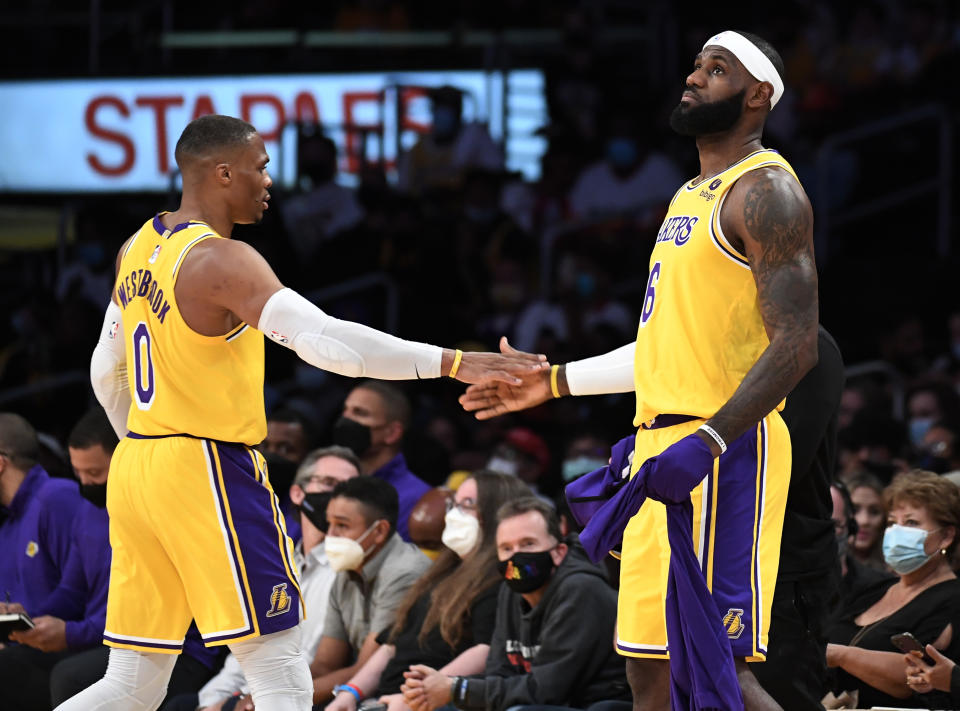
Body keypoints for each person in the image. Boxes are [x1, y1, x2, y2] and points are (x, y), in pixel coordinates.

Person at [66, 113, 547, 711]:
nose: (269, 181)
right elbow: (327, 343)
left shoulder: (136, 247)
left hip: (139, 465)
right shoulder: (222, 261)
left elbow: (101, 370)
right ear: (222, 173)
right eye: (259, 167)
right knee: (279, 667)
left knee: (132, 681)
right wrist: (452, 362)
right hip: (205, 463)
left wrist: (143, 448)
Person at [461, 29, 819, 710]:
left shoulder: (767, 191)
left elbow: (797, 344)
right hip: (658, 449)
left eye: (716, 70)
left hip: (724, 450)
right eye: (694, 66)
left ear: (758, 94)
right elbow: (665, 347)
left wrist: (710, 440)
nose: (693, 78)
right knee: (649, 672)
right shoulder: (690, 194)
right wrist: (555, 380)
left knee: (722, 671)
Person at [169, 446, 362, 711]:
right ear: (297, 493)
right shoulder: (280, 562)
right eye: (329, 483)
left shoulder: (346, 570)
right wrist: (211, 703)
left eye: (348, 488)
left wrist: (242, 702)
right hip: (245, 693)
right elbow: (246, 652)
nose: (337, 495)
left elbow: (316, 663)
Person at [400, 497, 630, 711]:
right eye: (507, 549)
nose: (516, 558)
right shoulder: (510, 591)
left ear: (559, 552)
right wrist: (439, 686)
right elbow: (499, 673)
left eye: (528, 543)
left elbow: (547, 691)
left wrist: (457, 688)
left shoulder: (582, 590)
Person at [326, 472, 531, 711]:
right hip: (385, 700)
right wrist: (350, 693)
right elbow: (391, 645)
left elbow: (485, 650)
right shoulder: (440, 573)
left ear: (497, 513)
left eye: (468, 504)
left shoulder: (501, 580)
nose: (454, 513)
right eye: (454, 504)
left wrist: (419, 697)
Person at [825, 470, 960, 709]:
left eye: (911, 522)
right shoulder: (874, 588)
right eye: (892, 522)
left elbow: (917, 676)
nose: (897, 532)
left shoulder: (952, 599)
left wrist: (840, 655)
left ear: (946, 536)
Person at [309, 476, 432, 706]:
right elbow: (325, 665)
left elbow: (366, 669)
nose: (330, 536)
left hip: (398, 694)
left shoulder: (405, 573)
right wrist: (271, 692)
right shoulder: (347, 571)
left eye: (342, 526)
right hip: (355, 691)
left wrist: (284, 698)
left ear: (379, 531)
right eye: (329, 524)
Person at [333, 381, 432, 543]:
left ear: (392, 433)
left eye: (360, 413)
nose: (345, 419)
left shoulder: (417, 499)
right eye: (345, 410)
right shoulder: (329, 480)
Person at [847, 472, 887, 571]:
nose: (864, 521)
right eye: (854, 510)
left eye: (874, 512)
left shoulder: (894, 574)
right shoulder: (822, 565)